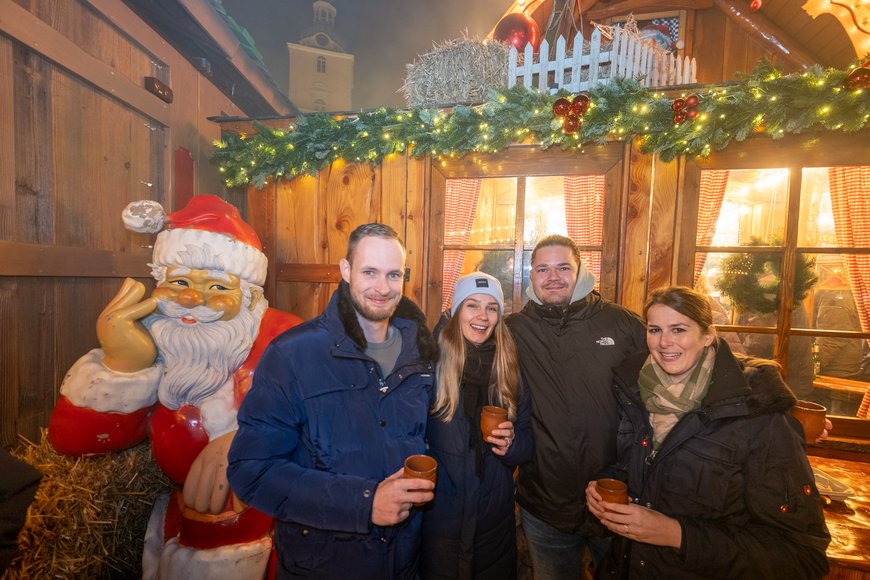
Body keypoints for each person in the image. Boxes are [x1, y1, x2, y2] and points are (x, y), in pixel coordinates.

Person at [47, 195, 302, 578]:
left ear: (249, 295)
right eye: (179, 282)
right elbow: (72, 442)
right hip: (184, 517)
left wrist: (249, 440)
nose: (190, 299)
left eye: (217, 287)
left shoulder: (285, 338)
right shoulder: (158, 339)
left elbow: (329, 421)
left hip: (272, 525)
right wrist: (123, 362)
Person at [227, 223, 439, 579]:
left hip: (403, 563)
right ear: (345, 271)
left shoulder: (422, 354)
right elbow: (251, 471)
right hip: (323, 566)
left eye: (393, 275)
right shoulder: (292, 354)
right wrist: (365, 502)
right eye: (369, 272)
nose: (383, 288)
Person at [586, 286, 830, 579]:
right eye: (655, 330)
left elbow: (802, 556)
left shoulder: (758, 415)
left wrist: (677, 534)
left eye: (678, 329)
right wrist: (606, 487)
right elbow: (649, 469)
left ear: (708, 335)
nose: (664, 342)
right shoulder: (635, 390)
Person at [505, 235, 647, 578]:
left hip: (617, 500)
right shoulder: (514, 330)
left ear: (580, 270)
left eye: (563, 267)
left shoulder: (622, 324)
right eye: (543, 268)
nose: (553, 276)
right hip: (546, 503)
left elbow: (666, 381)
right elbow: (467, 350)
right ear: (531, 276)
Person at [421, 272, 533, 579]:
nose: (482, 316)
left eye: (491, 307)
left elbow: (527, 442)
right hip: (439, 516)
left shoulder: (509, 368)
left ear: (499, 316)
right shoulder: (430, 364)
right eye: (472, 305)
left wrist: (512, 445)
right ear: (456, 311)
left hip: (493, 519)